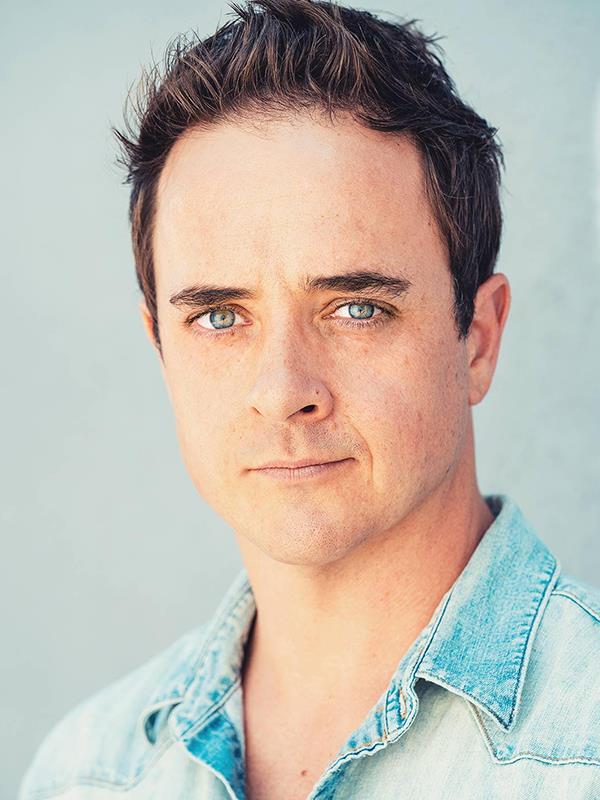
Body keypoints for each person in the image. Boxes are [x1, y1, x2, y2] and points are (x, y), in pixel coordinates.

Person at [19, 1, 600, 798]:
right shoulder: (84, 776)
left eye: (357, 308)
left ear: (478, 338)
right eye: (219, 317)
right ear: (162, 350)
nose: (283, 391)